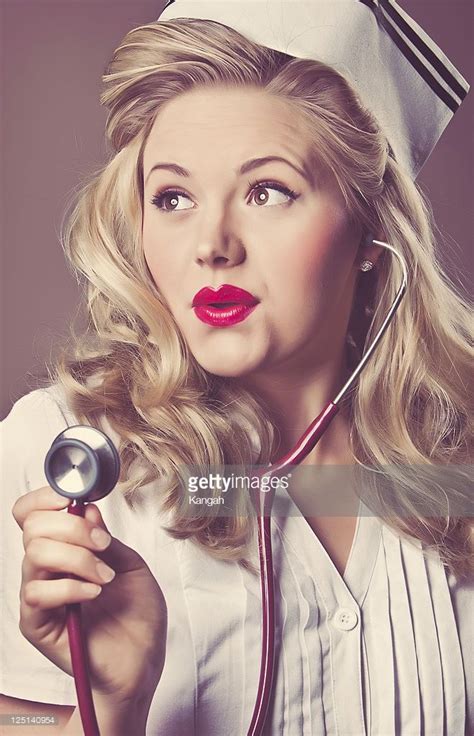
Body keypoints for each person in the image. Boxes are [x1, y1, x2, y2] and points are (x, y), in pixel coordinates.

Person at [1, 3, 473, 734]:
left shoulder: (457, 462)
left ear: (371, 233)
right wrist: (118, 705)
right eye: (174, 197)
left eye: (266, 190)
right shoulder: (61, 456)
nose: (211, 244)